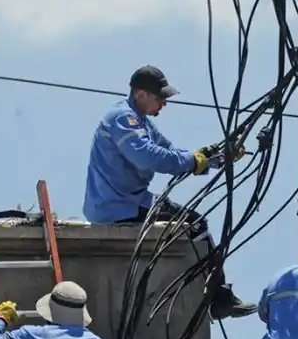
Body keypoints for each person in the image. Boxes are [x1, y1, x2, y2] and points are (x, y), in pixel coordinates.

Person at [82, 64, 256, 320]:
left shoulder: (141, 121)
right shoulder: (123, 118)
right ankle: (216, 297)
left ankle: (211, 294)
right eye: (159, 97)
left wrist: (215, 158)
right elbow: (148, 157)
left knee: (192, 224)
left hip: (129, 201)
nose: (164, 103)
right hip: (118, 206)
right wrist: (193, 161)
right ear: (140, 93)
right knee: (196, 226)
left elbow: (172, 152)